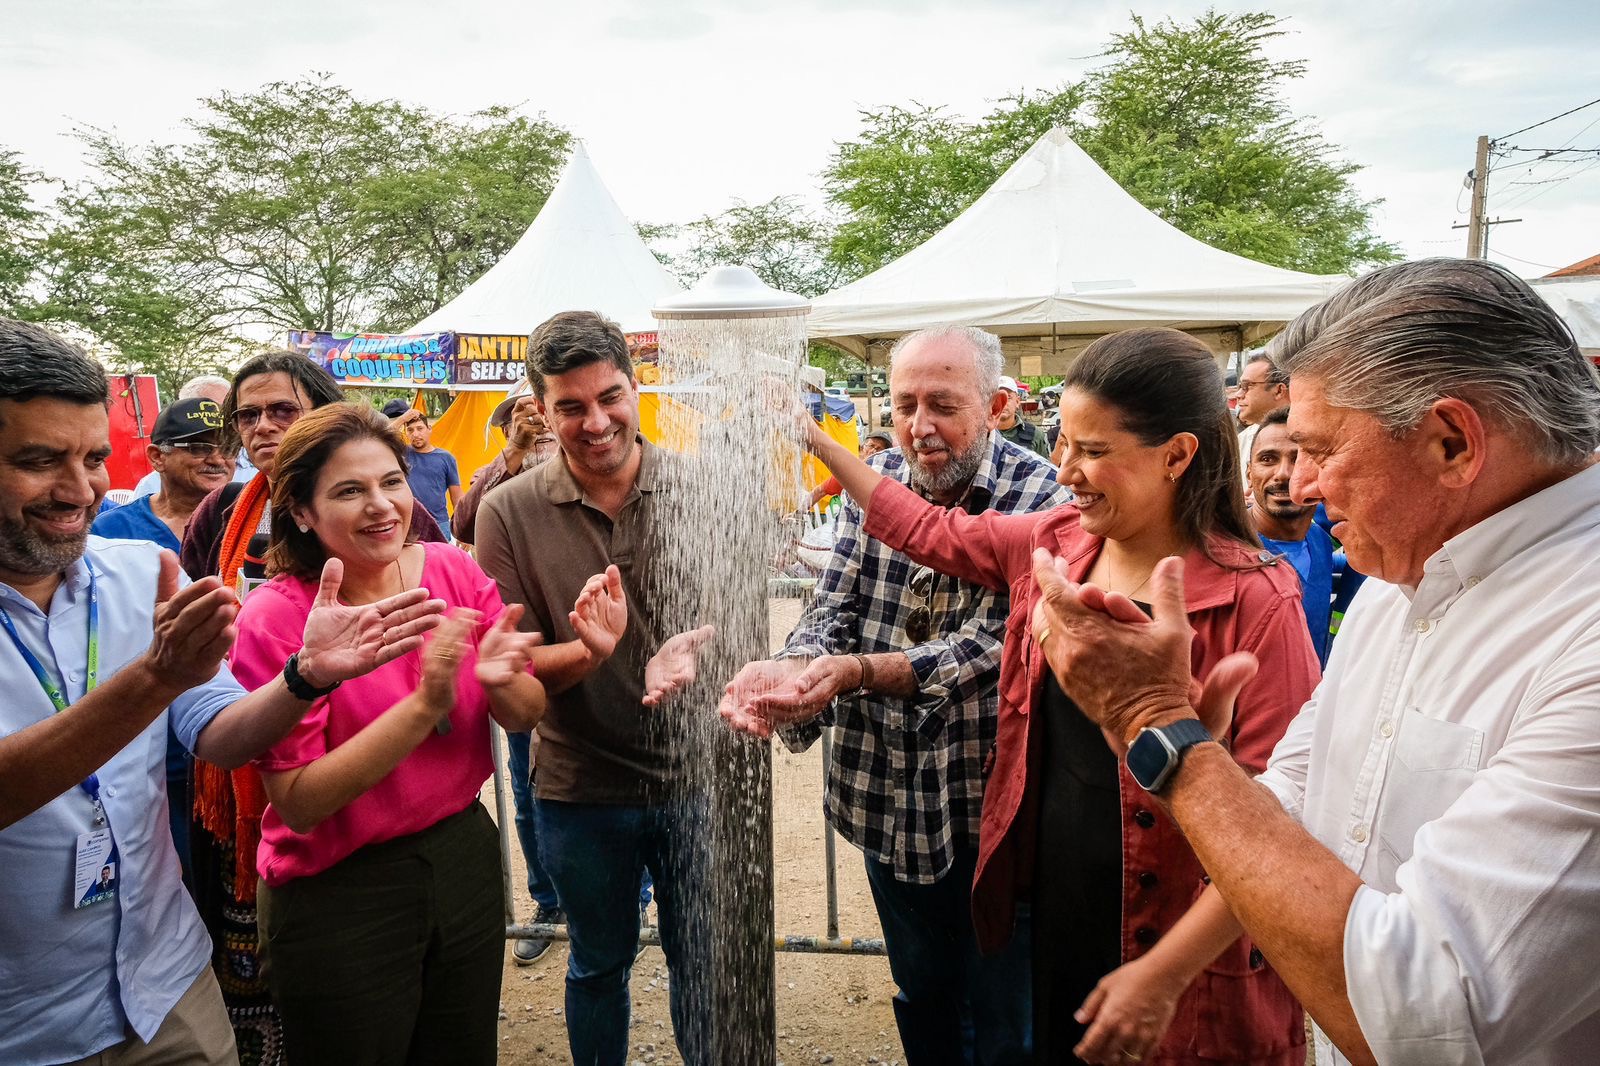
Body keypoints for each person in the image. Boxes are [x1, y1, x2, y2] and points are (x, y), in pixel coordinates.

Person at [1028, 258, 1600, 1066]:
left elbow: (1427, 1019)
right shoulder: (1408, 578)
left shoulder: (1579, 632)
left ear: (1451, 441)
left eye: (1319, 449)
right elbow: (1298, 793)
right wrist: (1202, 765)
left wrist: (1163, 732)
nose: (1297, 484)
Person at [737, 326, 1319, 1064]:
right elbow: (924, 527)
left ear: (1177, 454)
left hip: (1177, 940)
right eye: (1065, 444)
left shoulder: (1257, 603)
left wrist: (1163, 974)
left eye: (1093, 451)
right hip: (1058, 909)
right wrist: (816, 442)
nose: (1064, 469)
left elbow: (1278, 830)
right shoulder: (1061, 540)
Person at [0, 319, 444, 1066]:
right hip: (25, 1023)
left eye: (94, 458)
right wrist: (156, 679)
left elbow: (219, 730)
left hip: (164, 986)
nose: (79, 491)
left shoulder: (142, 571)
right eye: (40, 461)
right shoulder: (188, 549)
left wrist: (304, 678)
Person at [723, 326, 1067, 1065]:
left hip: (993, 814)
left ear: (999, 406)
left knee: (1006, 1015)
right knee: (924, 996)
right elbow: (831, 607)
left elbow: (996, 643)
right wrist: (797, 665)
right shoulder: (875, 481)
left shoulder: (1044, 496)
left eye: (942, 404)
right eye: (906, 403)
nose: (920, 426)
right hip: (883, 799)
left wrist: (859, 673)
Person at [226, 402, 579, 1064]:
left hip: (463, 854)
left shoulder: (450, 570)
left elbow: (525, 712)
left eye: (390, 481)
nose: (381, 506)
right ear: (302, 511)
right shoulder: (280, 618)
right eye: (348, 491)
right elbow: (299, 801)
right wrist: (421, 707)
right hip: (339, 890)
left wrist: (504, 680)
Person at [179, 350, 449, 1062]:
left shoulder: (395, 510)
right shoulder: (220, 513)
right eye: (248, 415)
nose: (263, 426)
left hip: (359, 762)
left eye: (282, 410)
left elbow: (434, 611)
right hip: (242, 757)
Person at [474, 310, 713, 1066]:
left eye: (610, 397)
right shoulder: (506, 510)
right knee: (598, 965)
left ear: (636, 388)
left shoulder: (697, 488)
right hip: (579, 788)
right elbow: (510, 663)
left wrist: (697, 650)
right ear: (539, 411)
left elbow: (742, 628)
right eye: (570, 406)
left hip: (695, 780)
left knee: (702, 970)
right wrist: (587, 652)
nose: (596, 420)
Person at [94, 396, 236, 885]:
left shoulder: (257, 521)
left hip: (235, 738)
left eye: (225, 447)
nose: (216, 459)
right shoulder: (109, 532)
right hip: (148, 754)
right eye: (198, 447)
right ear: (156, 458)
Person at [1246, 406, 1364, 665]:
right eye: (1268, 459)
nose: (1283, 474)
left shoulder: (1320, 542)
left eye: (1299, 459)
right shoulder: (1222, 548)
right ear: (1248, 472)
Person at [450, 389, 560, 547]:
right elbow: (463, 527)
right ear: (507, 432)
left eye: (544, 415)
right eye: (524, 421)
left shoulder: (581, 472)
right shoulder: (489, 475)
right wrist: (516, 448)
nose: (539, 428)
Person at [132, 376, 255, 498]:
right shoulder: (150, 487)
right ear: (158, 456)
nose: (217, 460)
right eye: (199, 448)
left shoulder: (260, 471)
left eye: (228, 448)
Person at [383, 400, 462, 536]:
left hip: (439, 523)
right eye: (410, 430)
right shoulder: (401, 453)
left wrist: (462, 527)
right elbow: (381, 438)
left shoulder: (446, 458)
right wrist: (403, 419)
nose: (415, 434)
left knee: (439, 557)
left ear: (429, 429)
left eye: (420, 428)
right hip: (408, 522)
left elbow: (457, 497)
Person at [805, 428, 893, 511]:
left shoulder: (892, 476)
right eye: (871, 446)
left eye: (880, 449)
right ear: (862, 448)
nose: (874, 451)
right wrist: (799, 512)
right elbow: (819, 491)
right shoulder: (851, 471)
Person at [1233, 353, 1289, 478]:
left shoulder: (1311, 438)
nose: (1238, 394)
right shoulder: (1242, 440)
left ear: (1279, 390)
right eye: (1240, 386)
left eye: (1247, 386)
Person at [995, 376, 1050, 458]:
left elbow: (1046, 467)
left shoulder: (1036, 435)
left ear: (1017, 402)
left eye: (1008, 397)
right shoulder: (980, 434)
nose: (1002, 402)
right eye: (997, 397)